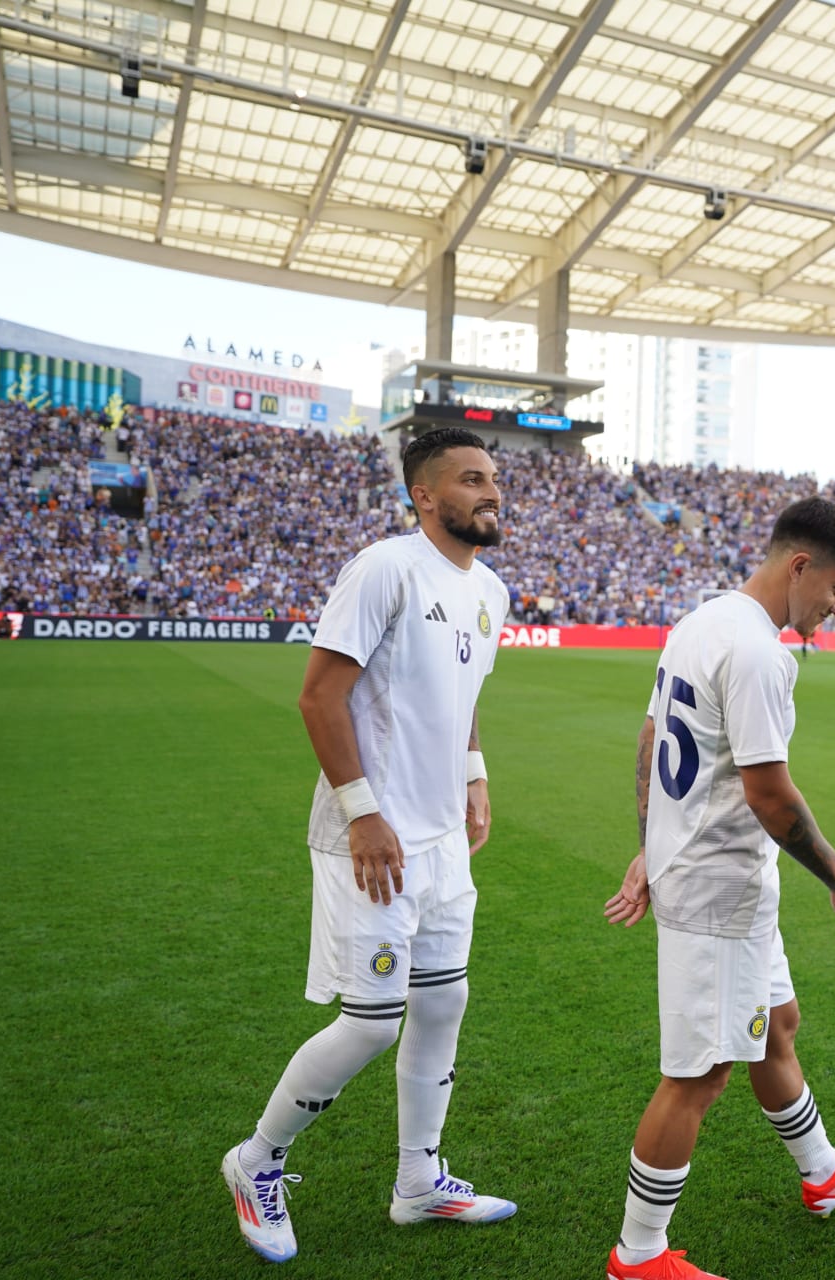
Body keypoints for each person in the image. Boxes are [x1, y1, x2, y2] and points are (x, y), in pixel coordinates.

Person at [220, 426, 517, 1264]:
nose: (490, 491)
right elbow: (320, 697)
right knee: (372, 1023)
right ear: (425, 496)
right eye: (470, 479)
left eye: (493, 478)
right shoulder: (385, 567)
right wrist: (363, 813)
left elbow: (464, 695)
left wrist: (475, 774)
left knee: (444, 1001)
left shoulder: (489, 587)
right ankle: (256, 1161)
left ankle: (419, 1182)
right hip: (371, 838)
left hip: (439, 840)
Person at [600, 496, 835, 1280]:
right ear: (800, 566)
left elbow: (653, 737)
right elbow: (771, 795)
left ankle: (823, 1168)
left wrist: (648, 845)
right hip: (717, 887)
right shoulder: (761, 652)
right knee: (698, 1075)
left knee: (779, 1023)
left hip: (709, 870)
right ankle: (638, 1255)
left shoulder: (702, 621)